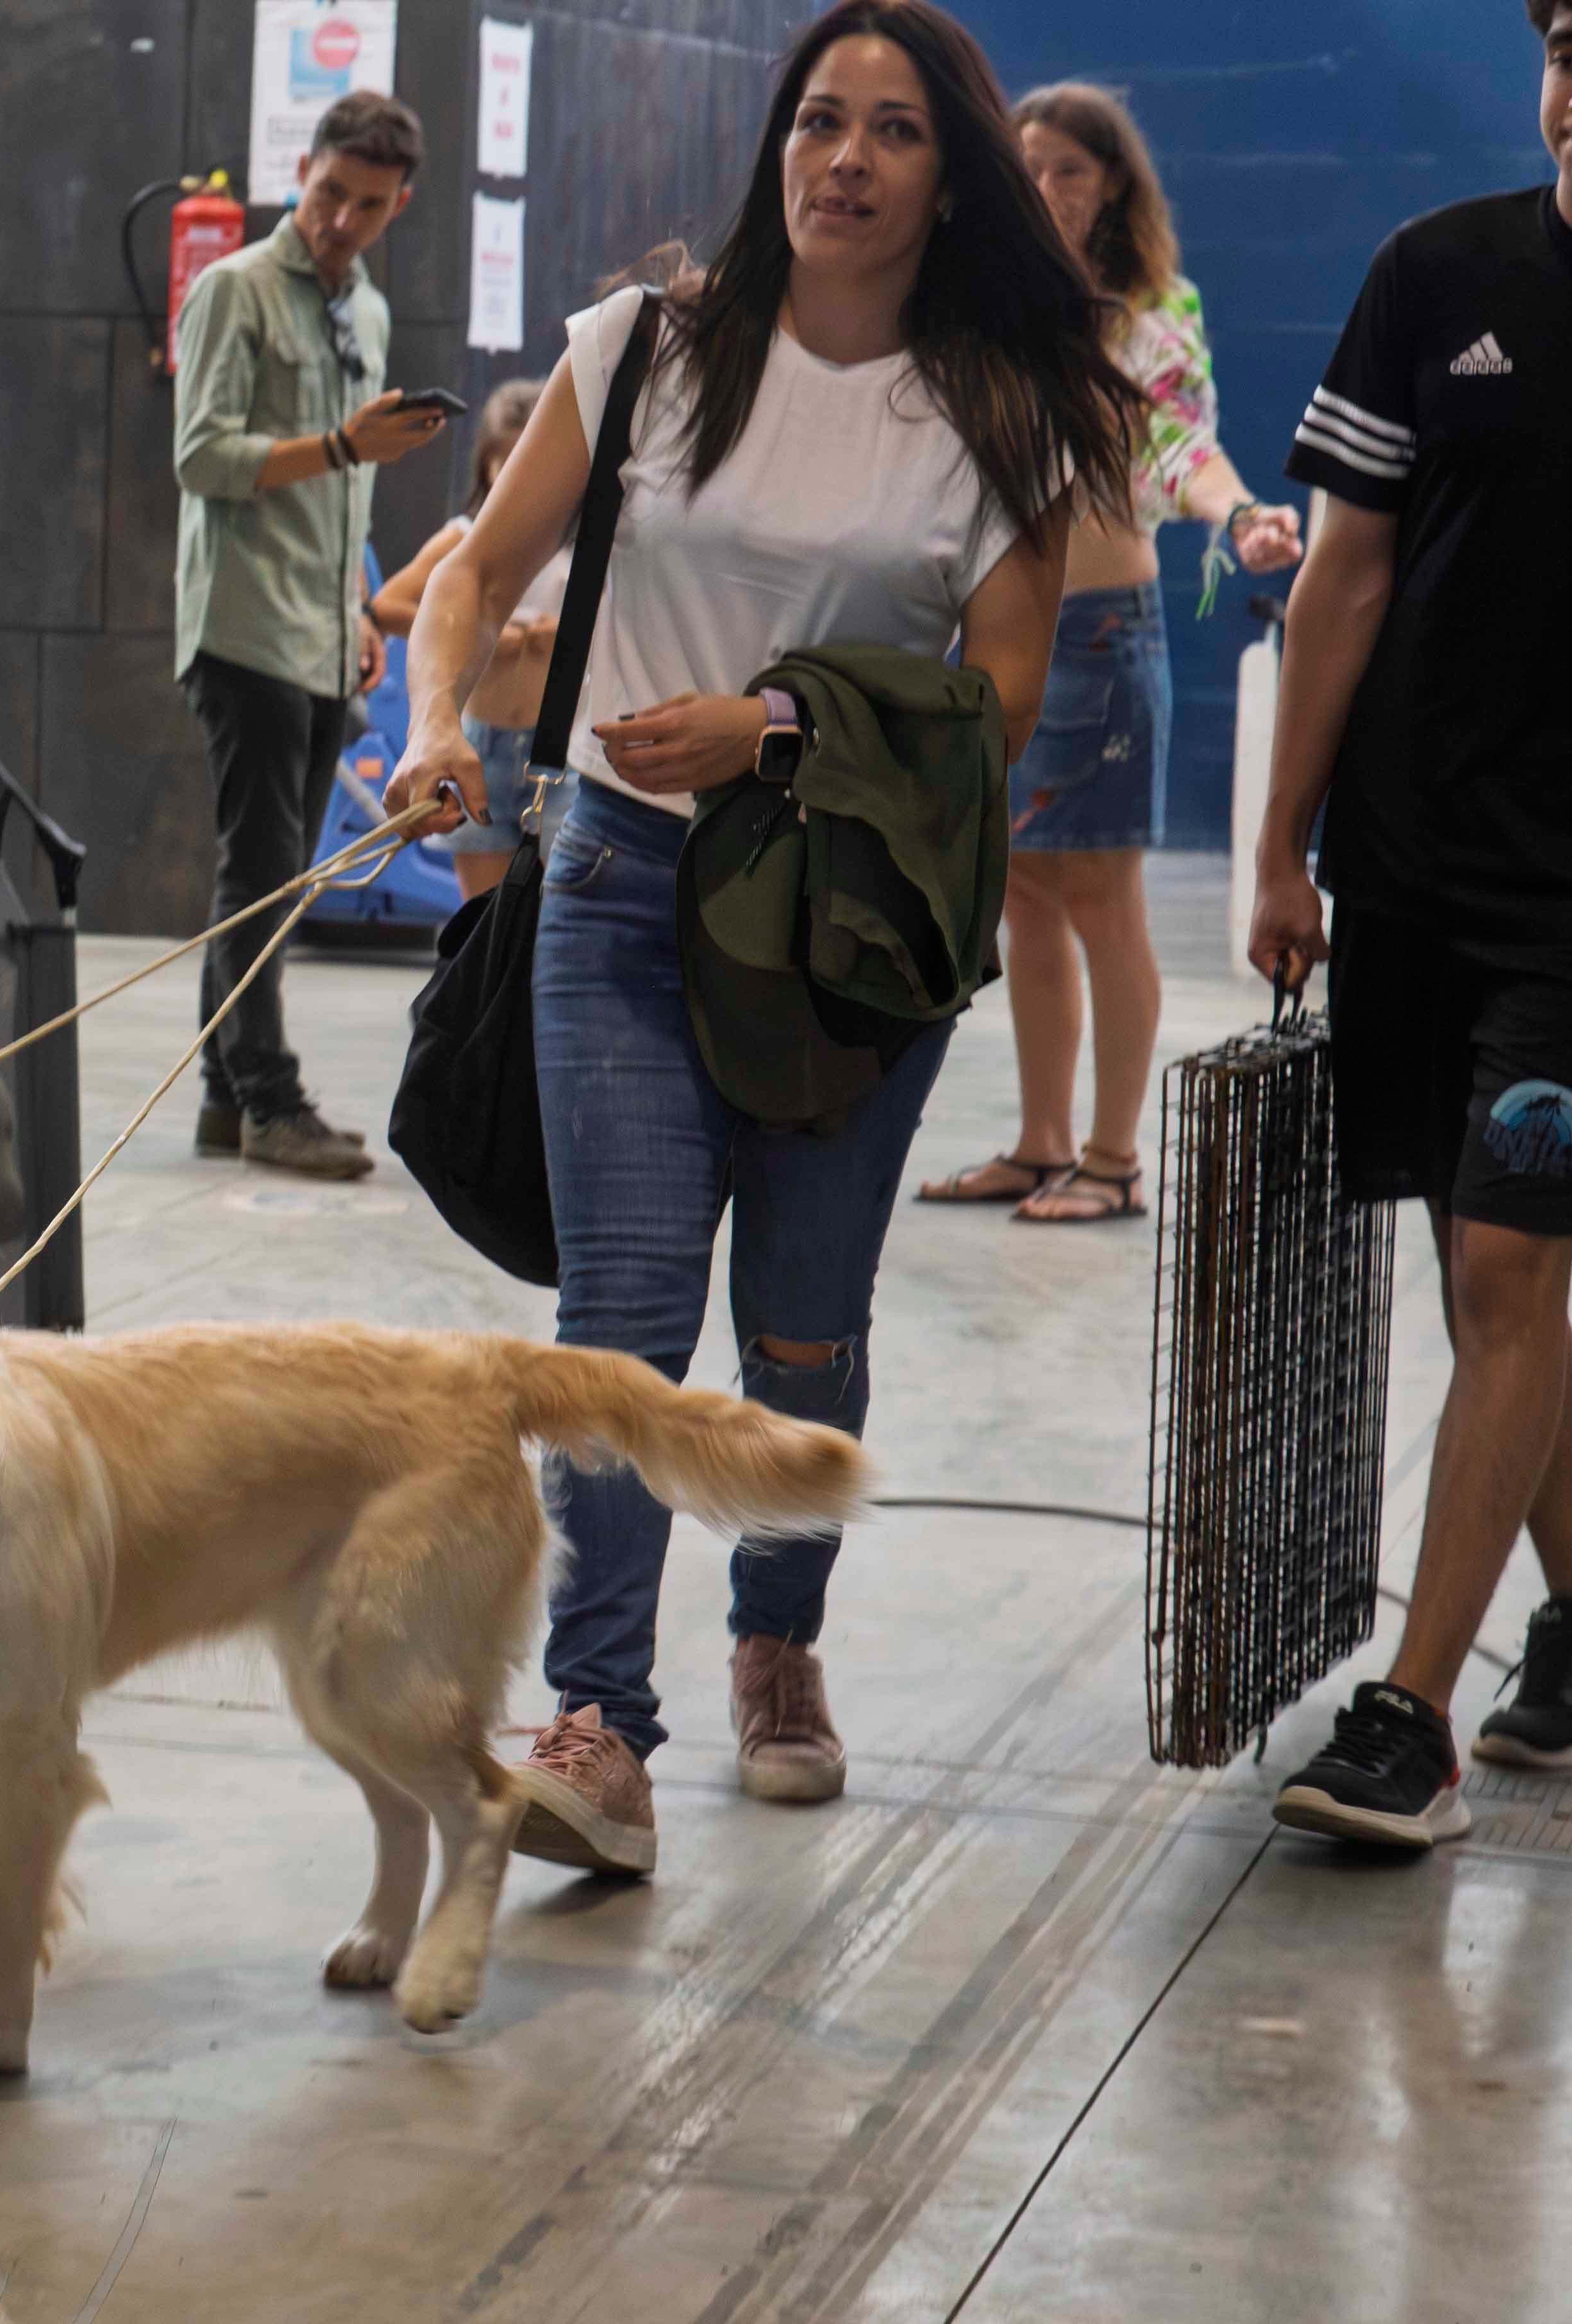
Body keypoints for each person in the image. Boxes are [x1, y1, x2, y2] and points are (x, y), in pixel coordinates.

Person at [391, 0, 1139, 1873]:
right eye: (821, 119)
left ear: (945, 173)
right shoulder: (646, 347)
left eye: (894, 129)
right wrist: (430, 735)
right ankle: (600, 1723)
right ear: (777, 146)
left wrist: (775, 727)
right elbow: (474, 568)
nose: (846, 157)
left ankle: (778, 1644)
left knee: (801, 1335)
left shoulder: (1005, 412)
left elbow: (1000, 698)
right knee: (628, 1314)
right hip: (623, 889)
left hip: (855, 917)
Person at [1255, 0, 1572, 1851]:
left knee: (1513, 1275)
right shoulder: (1431, 274)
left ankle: (1413, 1714)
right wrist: (1287, 843)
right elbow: (1348, 570)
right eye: (1565, 48)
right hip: (1409, 873)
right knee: (1494, 1281)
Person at [916, 84, 1304, 1224]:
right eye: (1026, 166)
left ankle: (1113, 1156)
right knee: (1022, 897)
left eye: (1069, 170)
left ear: (1111, 186)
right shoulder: (988, 303)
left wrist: (1238, 520)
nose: (1045, 189)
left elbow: (1182, 441)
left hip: (1099, 633)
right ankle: (1042, 1141)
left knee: (1101, 899)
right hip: (1000, 634)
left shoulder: (1147, 307)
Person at [174, 88, 445, 1182]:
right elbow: (201, 458)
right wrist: (338, 444)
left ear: (398, 204)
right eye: (330, 193)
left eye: (368, 206)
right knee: (266, 872)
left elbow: (351, 497)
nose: (341, 221)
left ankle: (217, 1100)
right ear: (305, 171)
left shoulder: (365, 311)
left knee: (271, 870)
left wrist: (356, 613)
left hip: (322, 626)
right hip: (241, 623)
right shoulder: (233, 291)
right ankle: (269, 1101)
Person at [368, 377, 569, 901]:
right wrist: (478, 636)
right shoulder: (465, 538)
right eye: (510, 467)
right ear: (486, 465)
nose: (526, 482)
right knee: (482, 926)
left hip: (561, 749)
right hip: (482, 745)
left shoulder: (580, 543)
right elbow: (387, 605)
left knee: (556, 922)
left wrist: (563, 636)